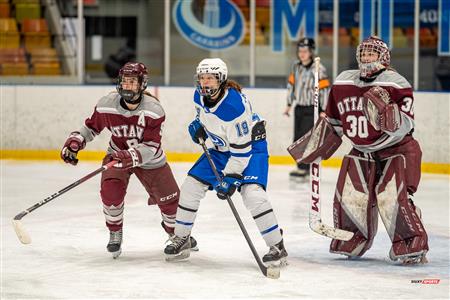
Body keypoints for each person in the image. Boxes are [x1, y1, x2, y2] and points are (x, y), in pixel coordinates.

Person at [292, 36, 428, 264]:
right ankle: (352, 238)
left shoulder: (396, 83)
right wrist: (319, 141)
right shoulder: (345, 81)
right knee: (350, 194)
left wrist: (389, 117)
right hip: (361, 150)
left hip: (397, 149)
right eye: (363, 54)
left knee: (391, 197)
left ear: (383, 58)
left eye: (371, 54)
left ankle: (410, 242)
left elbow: (406, 123)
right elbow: (335, 120)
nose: (366, 58)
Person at [60, 62, 197, 259]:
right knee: (110, 192)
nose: (127, 86)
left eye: (133, 82)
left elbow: (151, 146)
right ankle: (115, 232)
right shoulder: (107, 104)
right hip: (117, 156)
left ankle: (178, 236)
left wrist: (130, 156)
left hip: (150, 161)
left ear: (142, 84)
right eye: (125, 81)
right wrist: (76, 140)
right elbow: (91, 127)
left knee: (171, 203)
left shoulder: (153, 110)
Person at [163, 58, 288, 267]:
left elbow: (241, 153)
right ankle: (182, 237)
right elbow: (205, 119)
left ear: (221, 80)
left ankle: (277, 246)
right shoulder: (199, 96)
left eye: (210, 78)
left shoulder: (233, 107)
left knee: (252, 194)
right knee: (191, 187)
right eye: (202, 78)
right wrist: (199, 128)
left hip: (250, 149)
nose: (205, 83)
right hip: (222, 149)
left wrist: (230, 179)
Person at [284, 37, 330, 178]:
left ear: (311, 52)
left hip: (312, 109)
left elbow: (324, 90)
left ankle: (305, 167)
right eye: (300, 51)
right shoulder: (296, 67)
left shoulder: (319, 69)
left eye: (305, 51)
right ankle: (300, 166)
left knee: (307, 138)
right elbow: (292, 86)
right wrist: (289, 104)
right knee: (298, 137)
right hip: (299, 108)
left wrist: (323, 110)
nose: (302, 53)